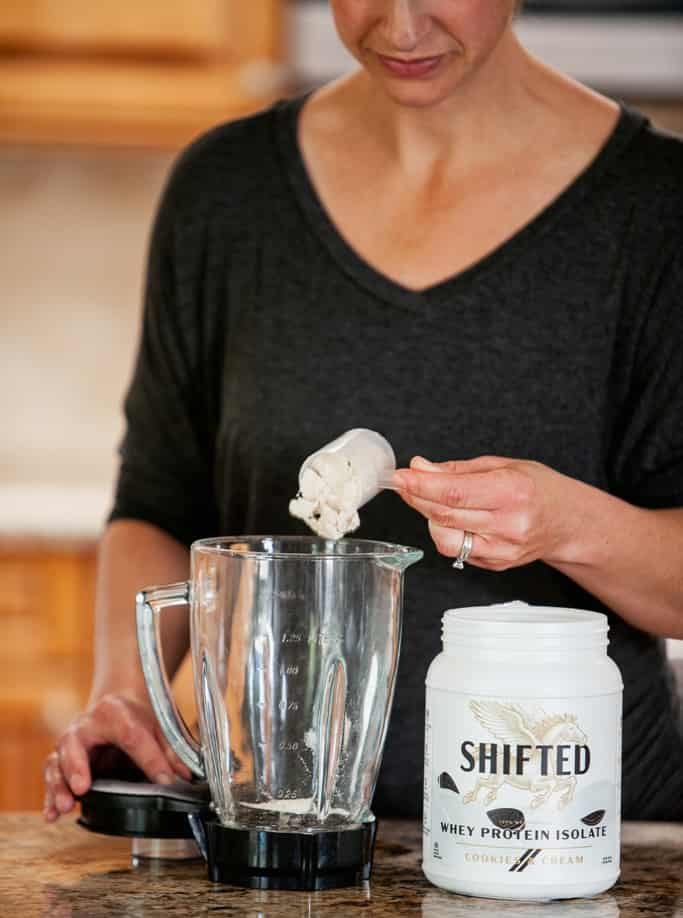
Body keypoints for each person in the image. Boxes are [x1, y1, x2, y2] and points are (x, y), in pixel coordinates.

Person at [44, 0, 683, 823]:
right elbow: (158, 505)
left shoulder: (657, 211)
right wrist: (124, 699)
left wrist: (564, 526)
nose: (401, 28)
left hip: (581, 842)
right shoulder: (227, 191)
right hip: (272, 826)